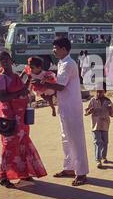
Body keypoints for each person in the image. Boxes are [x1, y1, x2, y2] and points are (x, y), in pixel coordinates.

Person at [38, 38, 89, 186]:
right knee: (65, 138)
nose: (54, 50)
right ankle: (69, 168)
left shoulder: (68, 64)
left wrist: (42, 84)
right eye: (53, 47)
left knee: (76, 140)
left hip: (72, 107)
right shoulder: (62, 63)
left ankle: (81, 172)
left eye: (56, 48)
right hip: (64, 105)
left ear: (64, 49)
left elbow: (60, 86)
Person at [0, 51, 48, 189]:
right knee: (9, 146)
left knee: (23, 144)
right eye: (1, 59)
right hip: (9, 117)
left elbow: (24, 90)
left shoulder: (16, 76)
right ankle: (3, 176)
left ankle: (23, 173)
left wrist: (29, 81)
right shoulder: (1, 78)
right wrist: (19, 93)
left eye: (6, 58)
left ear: (11, 60)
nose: (4, 61)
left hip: (21, 117)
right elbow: (3, 98)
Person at [85, 83, 113, 169]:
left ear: (105, 92)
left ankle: (103, 156)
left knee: (105, 142)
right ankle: (98, 159)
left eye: (101, 92)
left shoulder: (108, 101)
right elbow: (86, 112)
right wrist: (89, 111)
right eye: (97, 92)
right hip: (95, 125)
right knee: (98, 142)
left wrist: (110, 109)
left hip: (105, 124)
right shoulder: (93, 101)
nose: (99, 94)